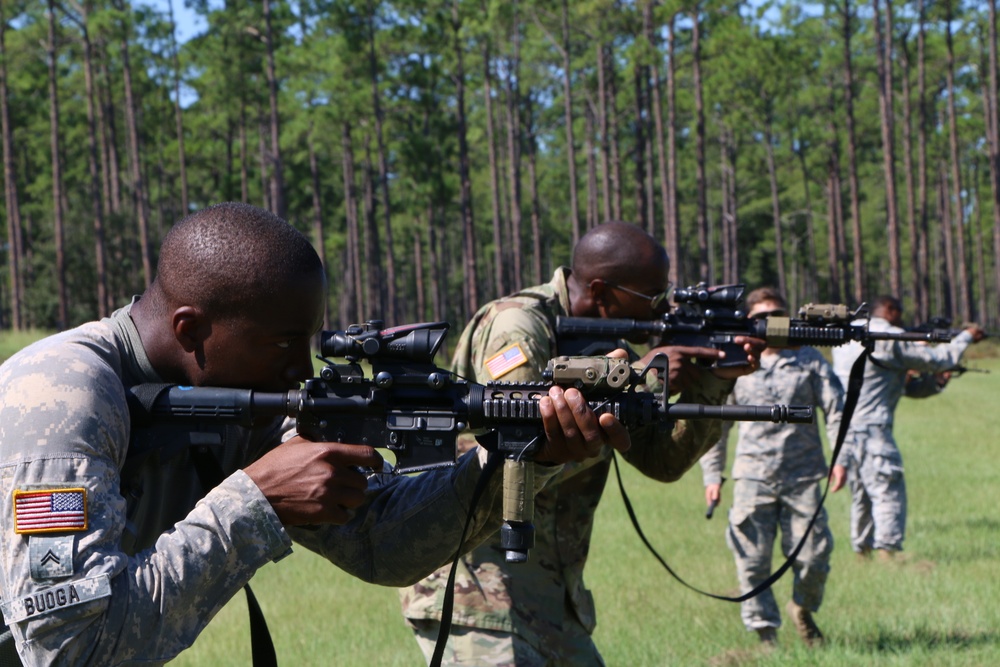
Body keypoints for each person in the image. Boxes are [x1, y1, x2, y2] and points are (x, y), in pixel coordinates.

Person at [0, 202, 630, 665]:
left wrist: (519, 458)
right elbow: (70, 650)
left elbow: (384, 541)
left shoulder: (237, 396)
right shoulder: (61, 397)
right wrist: (253, 503)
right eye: (281, 343)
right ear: (192, 330)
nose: (302, 368)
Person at [398, 221, 765, 666]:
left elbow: (661, 462)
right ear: (601, 290)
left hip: (551, 595)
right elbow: (522, 447)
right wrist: (640, 377)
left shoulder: (612, 342)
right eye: (653, 297)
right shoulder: (517, 325)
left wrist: (710, 383)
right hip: (480, 588)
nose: (663, 308)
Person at [700, 287, 847, 648]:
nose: (771, 324)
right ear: (750, 322)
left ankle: (803, 608)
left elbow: (838, 410)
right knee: (752, 561)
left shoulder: (809, 359)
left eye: (777, 315)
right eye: (762, 317)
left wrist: (842, 457)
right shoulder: (735, 360)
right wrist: (712, 475)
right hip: (753, 476)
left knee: (814, 555)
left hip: (804, 475)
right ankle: (766, 635)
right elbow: (716, 424)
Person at [831, 295, 985, 561]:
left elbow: (897, 386)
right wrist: (967, 337)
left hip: (845, 429)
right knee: (887, 490)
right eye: (899, 314)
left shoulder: (848, 338)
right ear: (889, 311)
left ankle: (862, 553)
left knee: (862, 494)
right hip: (874, 429)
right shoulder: (890, 336)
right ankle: (888, 555)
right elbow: (940, 359)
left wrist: (934, 383)